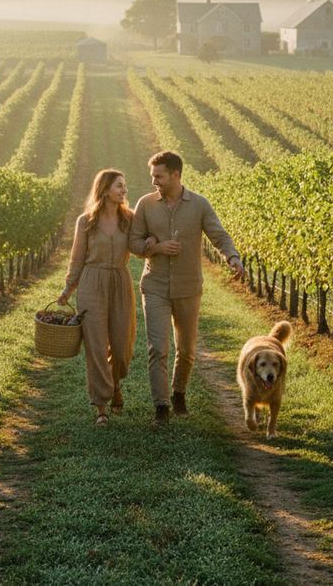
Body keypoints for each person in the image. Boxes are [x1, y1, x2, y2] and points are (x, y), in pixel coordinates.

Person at [130, 150, 244, 426]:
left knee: (187, 349)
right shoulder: (145, 205)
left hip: (189, 287)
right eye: (152, 176)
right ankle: (161, 407)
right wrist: (157, 248)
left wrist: (232, 257)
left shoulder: (199, 205)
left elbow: (219, 235)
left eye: (159, 176)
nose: (154, 181)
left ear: (176, 175)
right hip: (154, 285)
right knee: (158, 348)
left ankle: (179, 392)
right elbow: (133, 243)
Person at [58, 169, 139, 427]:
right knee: (96, 346)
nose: (124, 190)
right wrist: (68, 289)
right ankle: (101, 407)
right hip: (92, 283)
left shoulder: (130, 219)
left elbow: (140, 245)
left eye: (124, 185)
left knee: (121, 346)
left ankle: (115, 383)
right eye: (119, 186)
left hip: (120, 281)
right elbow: (77, 259)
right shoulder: (86, 221)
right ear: (105, 190)